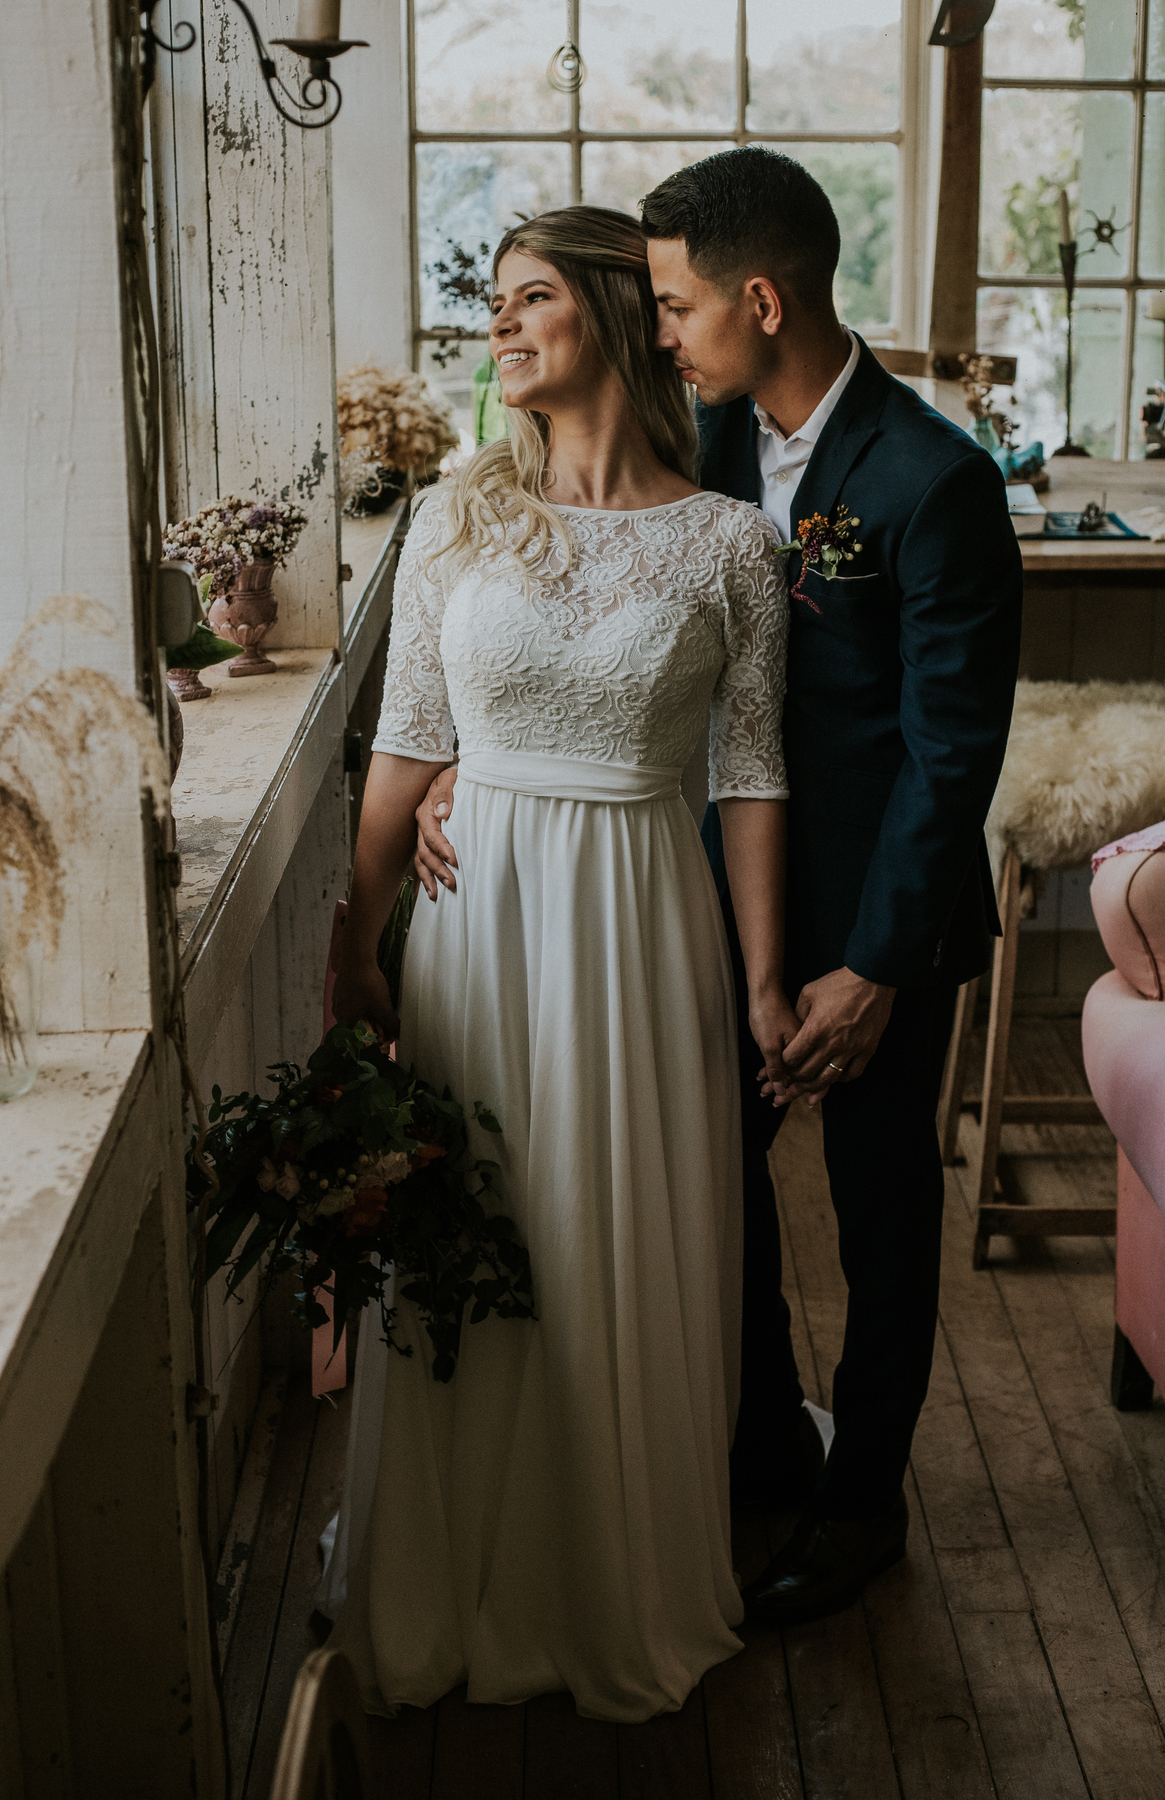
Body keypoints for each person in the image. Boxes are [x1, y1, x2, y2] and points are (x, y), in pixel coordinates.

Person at [418, 148, 1023, 1625]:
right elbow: (593, 617)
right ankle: (755, 1447)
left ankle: (863, 1503)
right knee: (712, 1193)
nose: (662, 329)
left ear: (762, 299)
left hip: (884, 926)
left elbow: (953, 759)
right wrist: (459, 762)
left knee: (881, 1228)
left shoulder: (937, 482)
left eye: (679, 303)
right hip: (708, 914)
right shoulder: (711, 453)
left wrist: (875, 970)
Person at [323, 205, 796, 1722]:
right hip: (478, 927)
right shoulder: (456, 515)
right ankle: (450, 1579)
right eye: (493, 303)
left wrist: (764, 979)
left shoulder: (732, 541)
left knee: (616, 1240)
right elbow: (408, 746)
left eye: (535, 299)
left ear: (610, 312)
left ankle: (613, 1584)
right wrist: (357, 948)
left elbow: (752, 777)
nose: (502, 327)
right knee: (489, 1223)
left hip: (647, 926)